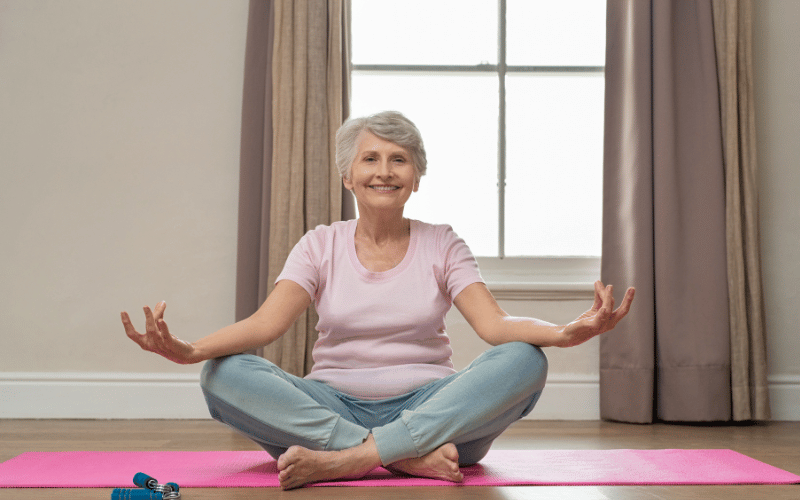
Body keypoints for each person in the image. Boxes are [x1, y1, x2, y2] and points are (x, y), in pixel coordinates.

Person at [122, 111, 635, 490]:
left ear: (415, 177)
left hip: (433, 410)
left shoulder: (443, 242)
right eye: (370, 159)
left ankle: (348, 460)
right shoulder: (320, 243)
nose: (384, 170)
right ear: (348, 176)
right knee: (222, 374)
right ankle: (401, 458)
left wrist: (566, 333)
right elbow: (264, 325)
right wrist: (190, 352)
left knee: (523, 359)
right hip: (330, 408)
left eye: (399, 160)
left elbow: (494, 326)